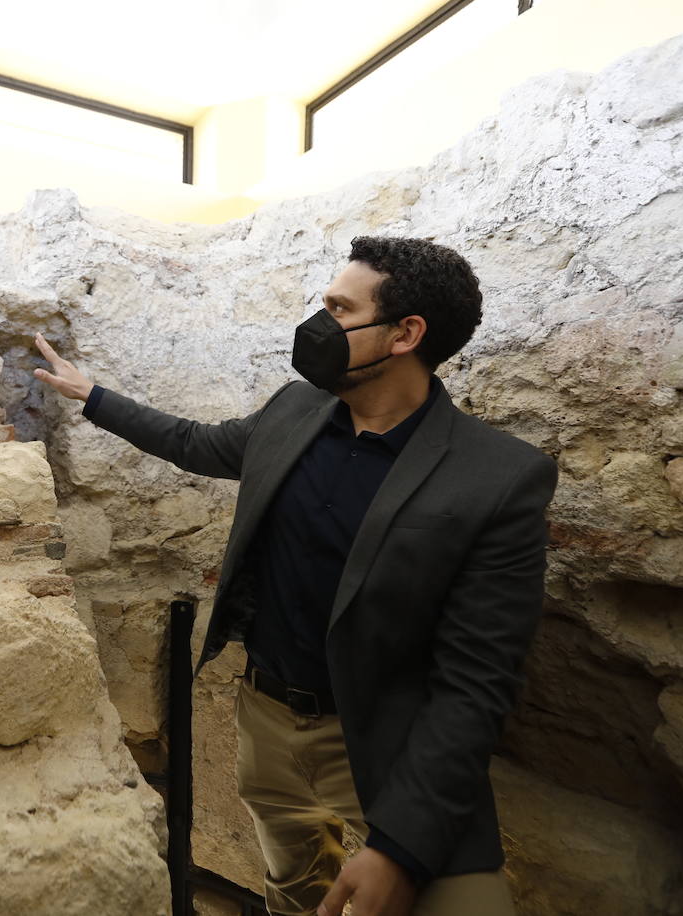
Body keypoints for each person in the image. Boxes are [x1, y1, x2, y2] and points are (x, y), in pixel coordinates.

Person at [33, 236, 558, 916]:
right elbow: (195, 442)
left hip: (384, 742)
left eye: (339, 309)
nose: (318, 324)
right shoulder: (293, 411)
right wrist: (92, 395)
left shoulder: (498, 475)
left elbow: (478, 681)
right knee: (294, 890)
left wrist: (399, 846)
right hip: (269, 723)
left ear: (405, 334)